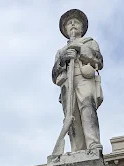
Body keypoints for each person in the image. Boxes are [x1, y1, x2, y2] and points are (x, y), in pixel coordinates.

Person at [52, 9, 103, 153]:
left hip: (84, 78)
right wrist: (63, 59)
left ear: (82, 27)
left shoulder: (90, 42)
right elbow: (54, 75)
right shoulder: (60, 51)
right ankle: (77, 149)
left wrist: (80, 48)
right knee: (71, 116)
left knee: (87, 107)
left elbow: (99, 60)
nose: (73, 24)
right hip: (67, 84)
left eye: (76, 22)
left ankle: (93, 144)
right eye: (69, 23)